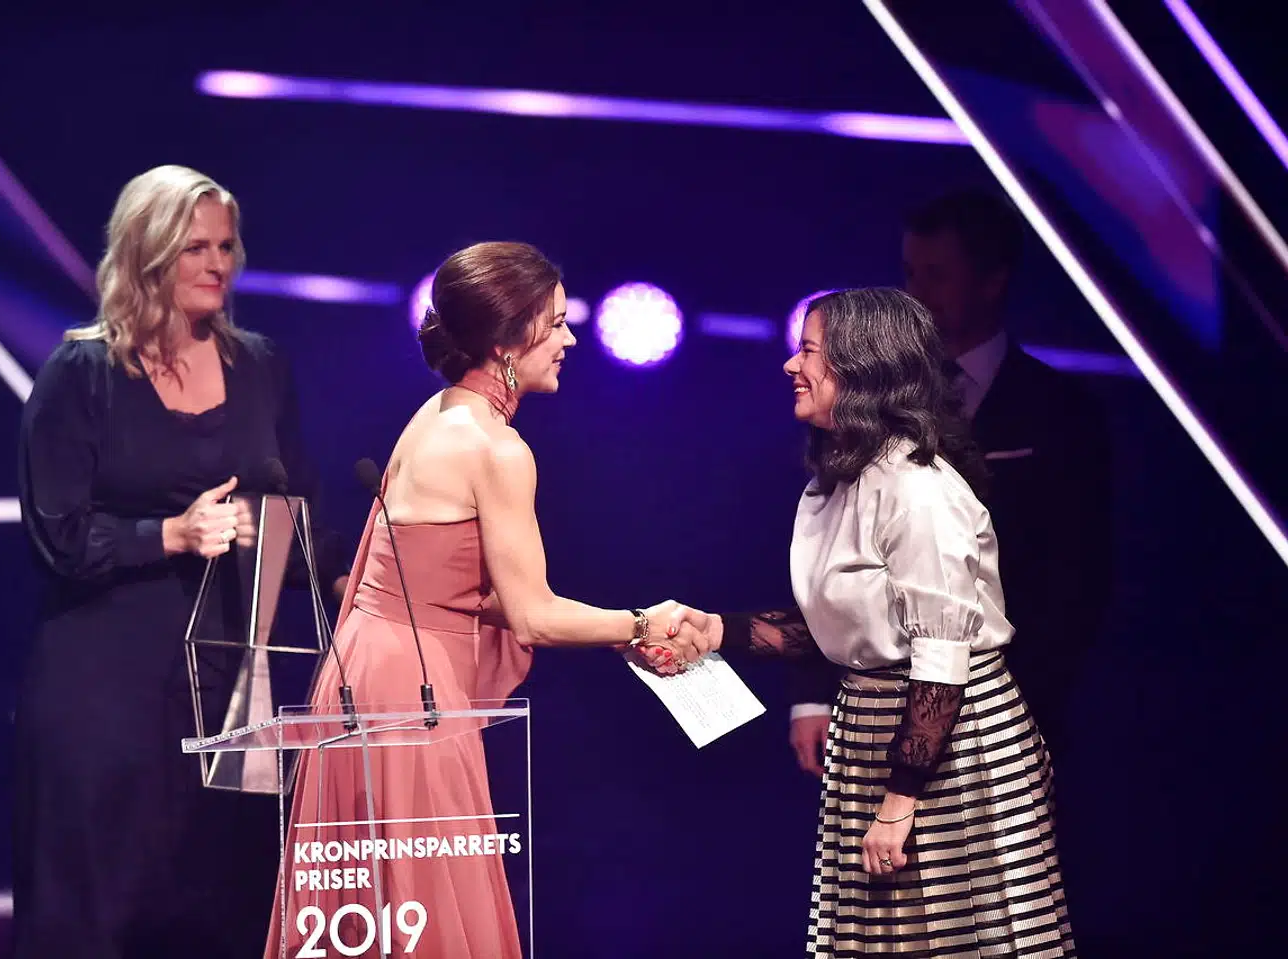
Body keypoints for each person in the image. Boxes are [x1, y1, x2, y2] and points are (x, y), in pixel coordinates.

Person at [265, 241, 715, 958]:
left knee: (377, 911)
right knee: (422, 907)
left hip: (367, 677)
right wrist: (640, 621)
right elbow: (531, 611)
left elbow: (458, 590)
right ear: (509, 340)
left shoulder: (437, 413)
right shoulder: (497, 449)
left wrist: (619, 630)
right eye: (558, 324)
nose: (570, 340)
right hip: (412, 696)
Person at [14, 165, 345, 959]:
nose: (217, 264)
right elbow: (55, 535)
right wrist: (172, 533)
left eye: (226, 246)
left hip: (233, 683)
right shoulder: (81, 373)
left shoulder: (262, 365)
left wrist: (356, 570)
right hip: (107, 689)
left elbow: (299, 522)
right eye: (195, 246)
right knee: (103, 909)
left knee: (227, 902)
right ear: (147, 253)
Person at [724, 288, 1073, 955]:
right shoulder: (836, 481)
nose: (790, 367)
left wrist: (899, 801)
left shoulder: (919, 489)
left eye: (808, 352)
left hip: (953, 752)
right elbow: (841, 635)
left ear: (862, 368)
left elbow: (941, 659)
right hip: (873, 735)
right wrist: (714, 632)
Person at [788, 187, 1112, 777]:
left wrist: (1021, 698)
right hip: (882, 702)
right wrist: (814, 690)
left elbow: (1075, 574)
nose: (919, 293)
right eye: (911, 272)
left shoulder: (1059, 410)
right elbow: (839, 567)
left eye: (938, 275)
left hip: (1004, 696)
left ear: (992, 281)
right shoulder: (875, 400)